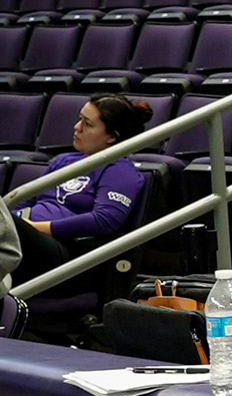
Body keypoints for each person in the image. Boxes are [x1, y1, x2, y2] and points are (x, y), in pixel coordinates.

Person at [10, 94, 152, 293]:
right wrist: (14, 224)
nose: (77, 127)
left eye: (88, 124)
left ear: (111, 137)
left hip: (66, 256)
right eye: (80, 119)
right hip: (27, 242)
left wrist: (36, 228)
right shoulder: (64, 161)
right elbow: (24, 201)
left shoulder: (120, 170)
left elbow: (105, 220)